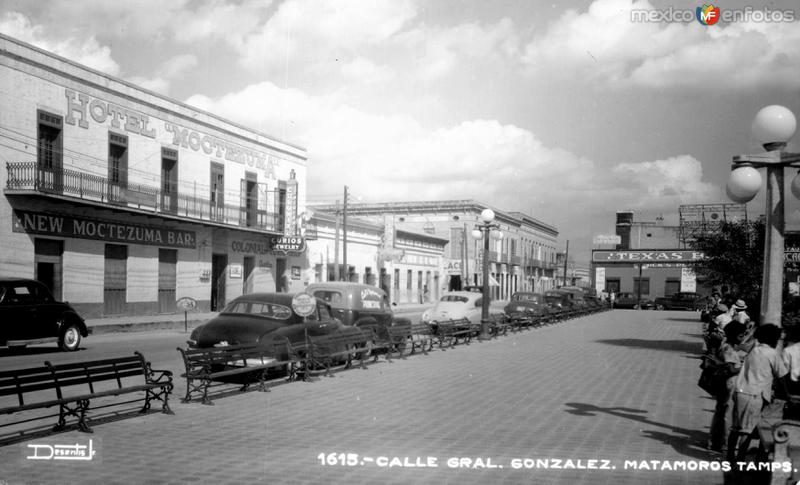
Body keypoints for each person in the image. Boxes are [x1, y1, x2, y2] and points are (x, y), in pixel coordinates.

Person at [727, 324, 788, 463]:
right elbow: (782, 376)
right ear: (773, 339)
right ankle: (740, 459)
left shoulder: (754, 350)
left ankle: (730, 457)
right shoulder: (772, 354)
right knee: (747, 430)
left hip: (740, 391)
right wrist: (786, 395)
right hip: (754, 395)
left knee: (736, 427)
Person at [707, 321, 748, 453]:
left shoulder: (726, 346)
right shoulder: (728, 349)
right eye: (741, 336)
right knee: (728, 413)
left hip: (724, 383)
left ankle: (714, 441)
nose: (742, 338)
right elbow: (730, 369)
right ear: (734, 335)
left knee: (720, 411)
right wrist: (743, 367)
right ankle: (725, 443)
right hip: (730, 383)